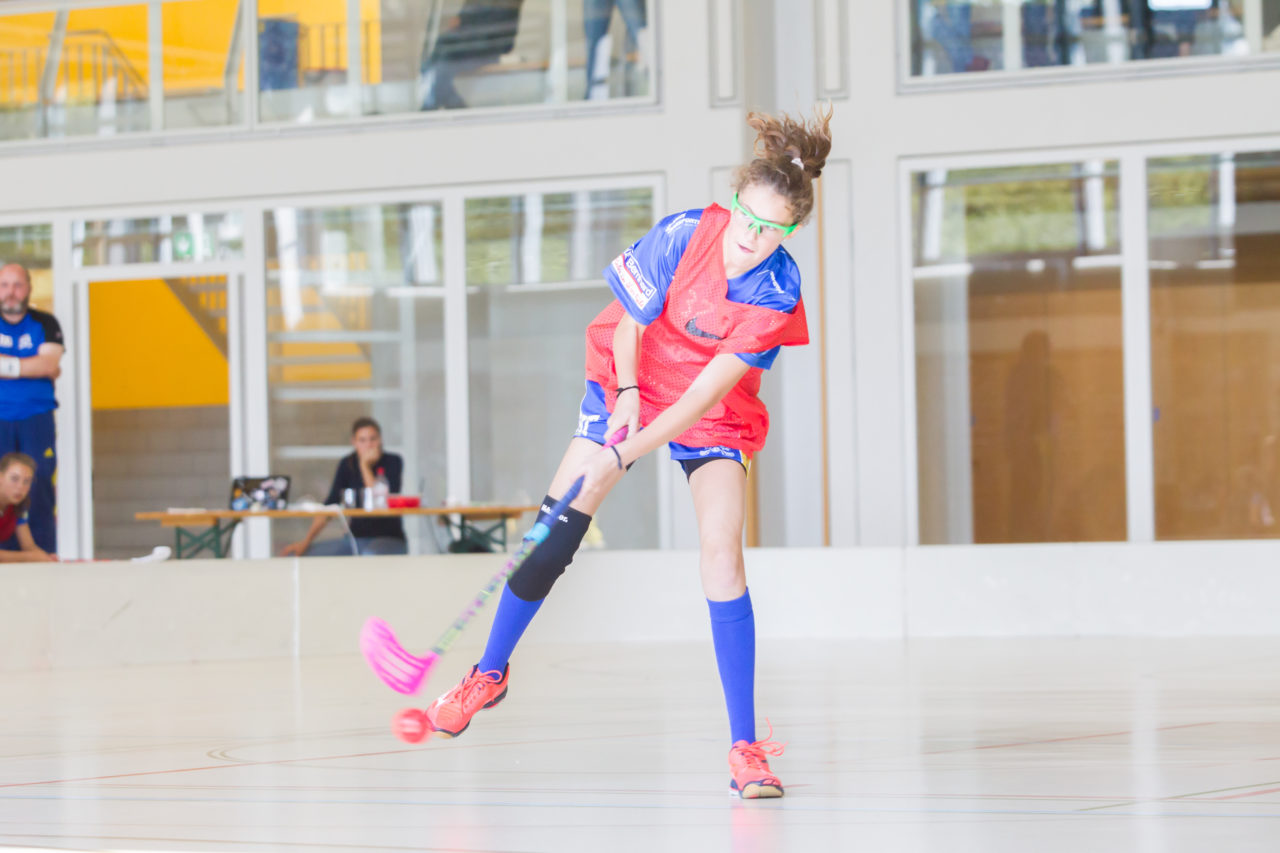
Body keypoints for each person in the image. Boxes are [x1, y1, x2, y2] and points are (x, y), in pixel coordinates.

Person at [419, 107, 833, 799]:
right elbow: (628, 327)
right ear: (733, 199)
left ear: (791, 232)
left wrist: (625, 453)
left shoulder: (778, 289)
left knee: (722, 555)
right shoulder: (683, 232)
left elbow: (703, 397)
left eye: (771, 229)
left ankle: (745, 749)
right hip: (630, 375)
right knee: (555, 528)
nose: (751, 237)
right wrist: (630, 394)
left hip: (709, 410)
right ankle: (488, 674)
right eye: (746, 217)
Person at [0, 263, 63, 555]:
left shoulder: (46, 323)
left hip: (36, 417)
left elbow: (49, 364)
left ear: (28, 288)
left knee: (37, 485)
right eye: (4, 285)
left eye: (17, 285)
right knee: (3, 488)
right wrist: (30, 366)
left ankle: (42, 555)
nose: (11, 292)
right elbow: (43, 366)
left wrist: (5, 365)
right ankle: (7, 557)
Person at [280, 417, 408, 556]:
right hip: (355, 538)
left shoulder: (393, 462)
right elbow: (329, 506)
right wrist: (306, 542)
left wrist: (364, 466)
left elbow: (379, 499)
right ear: (354, 442)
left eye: (373, 439)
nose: (368, 445)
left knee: (370, 555)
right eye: (362, 440)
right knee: (305, 554)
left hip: (388, 538)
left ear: (380, 440)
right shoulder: (347, 464)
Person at [418, 0, 525, 110]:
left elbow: (497, 33)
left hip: (488, 48)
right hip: (467, 44)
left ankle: (437, 110)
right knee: (433, 64)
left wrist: (463, 28)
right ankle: (451, 110)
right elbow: (461, 20)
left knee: (442, 71)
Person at [0, 452, 57, 562]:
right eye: (14, 479)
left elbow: (29, 546)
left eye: (27, 481)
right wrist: (29, 557)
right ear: (0, 477)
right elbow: (30, 555)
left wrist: (47, 558)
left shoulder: (18, 507)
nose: (20, 487)